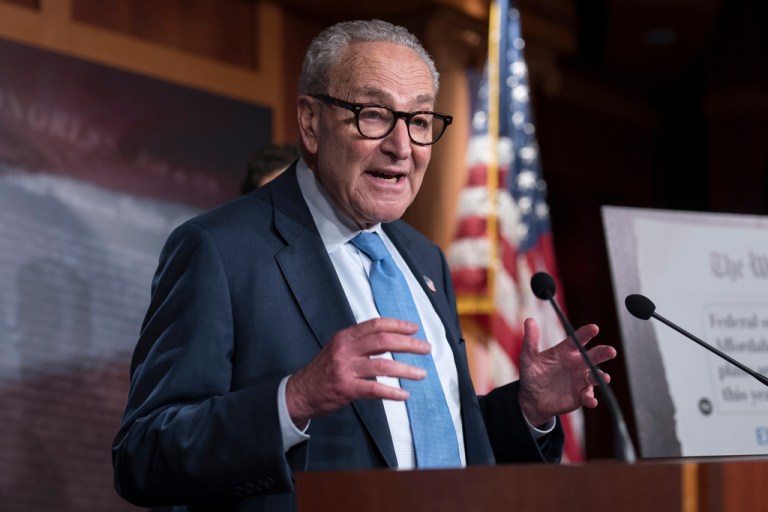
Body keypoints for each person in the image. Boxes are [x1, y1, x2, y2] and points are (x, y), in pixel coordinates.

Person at [112, 19, 616, 512]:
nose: (402, 148)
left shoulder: (424, 260)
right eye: (374, 115)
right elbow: (144, 454)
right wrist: (295, 397)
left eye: (419, 121)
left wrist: (525, 409)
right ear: (310, 122)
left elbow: (417, 443)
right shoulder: (220, 250)